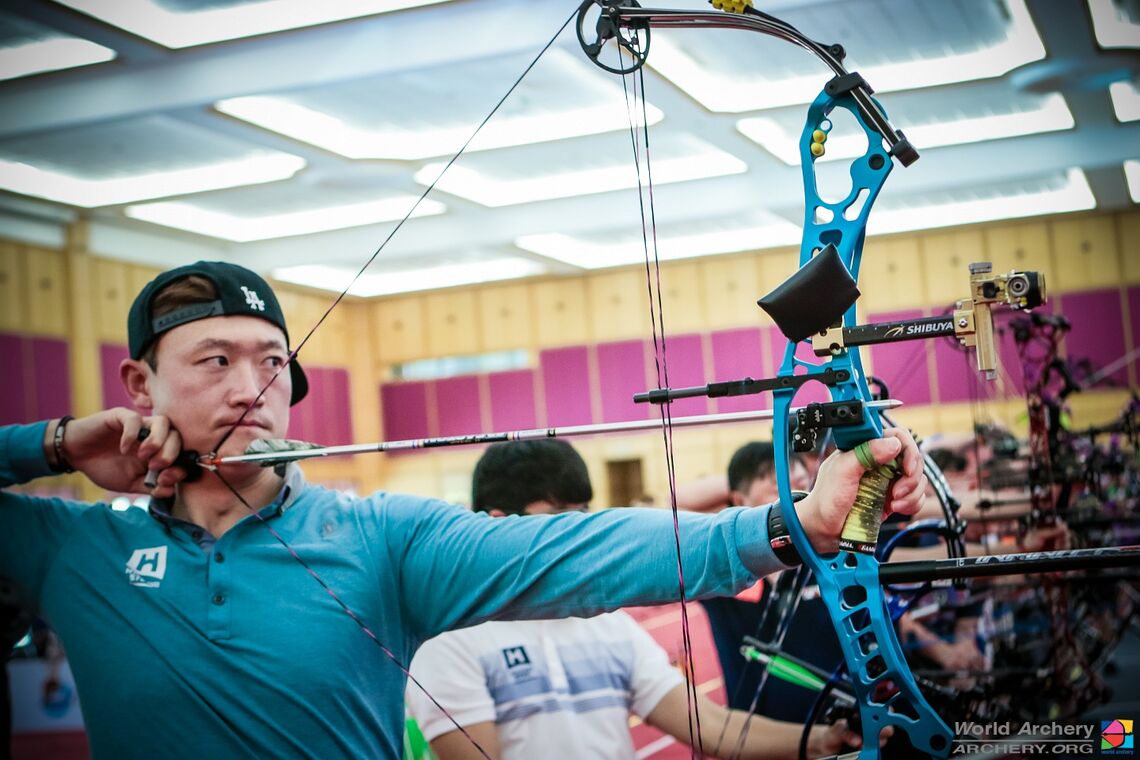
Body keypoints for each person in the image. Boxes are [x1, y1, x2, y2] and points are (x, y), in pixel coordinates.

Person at [0, 261, 928, 758]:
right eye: (215, 361)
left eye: (273, 361)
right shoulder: (73, 549)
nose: (253, 388)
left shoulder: (374, 538)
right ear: (139, 384)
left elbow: (577, 549)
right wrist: (52, 444)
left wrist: (792, 524)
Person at [406, 440, 868, 760]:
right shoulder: (448, 640)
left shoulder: (605, 623)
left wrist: (827, 740)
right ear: (496, 524)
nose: (576, 536)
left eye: (582, 517)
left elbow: (713, 728)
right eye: (556, 520)